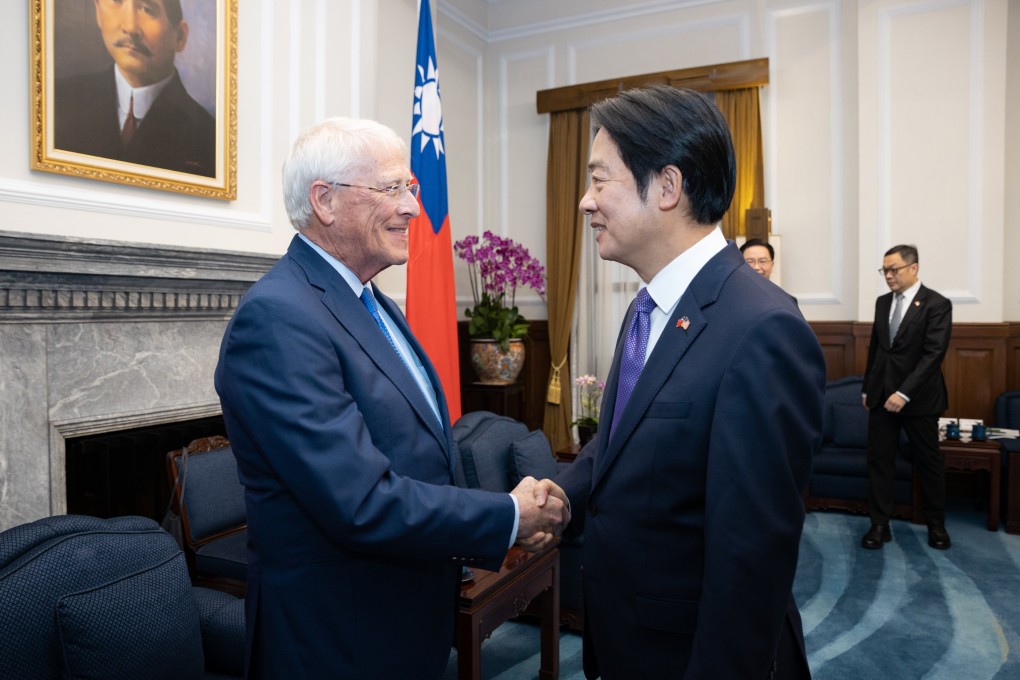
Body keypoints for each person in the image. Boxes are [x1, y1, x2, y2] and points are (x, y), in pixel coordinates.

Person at [214, 117, 567, 679]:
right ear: (324, 201)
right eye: (391, 189)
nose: (412, 209)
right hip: (338, 637)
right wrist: (505, 515)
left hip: (401, 618)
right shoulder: (279, 318)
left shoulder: (371, 302)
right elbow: (359, 503)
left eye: (411, 189)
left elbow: (418, 449)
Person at [550, 85, 826, 679]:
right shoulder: (648, 306)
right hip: (628, 640)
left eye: (600, 181)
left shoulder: (762, 329)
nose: (584, 202)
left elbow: (750, 564)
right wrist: (562, 494)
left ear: (668, 187)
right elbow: (622, 436)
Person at [54, 0, 215, 177]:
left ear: (179, 37)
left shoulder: (207, 136)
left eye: (147, 9)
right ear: (98, 12)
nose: (130, 27)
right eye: (117, 2)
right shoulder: (58, 100)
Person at [861, 244, 952, 550]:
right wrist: (867, 388)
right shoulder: (882, 302)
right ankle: (879, 524)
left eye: (894, 269)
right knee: (879, 462)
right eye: (884, 270)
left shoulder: (936, 304)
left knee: (928, 462)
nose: (888, 276)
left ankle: (936, 525)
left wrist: (904, 392)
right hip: (881, 397)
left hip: (920, 399)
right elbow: (876, 349)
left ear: (913, 268)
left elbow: (933, 354)